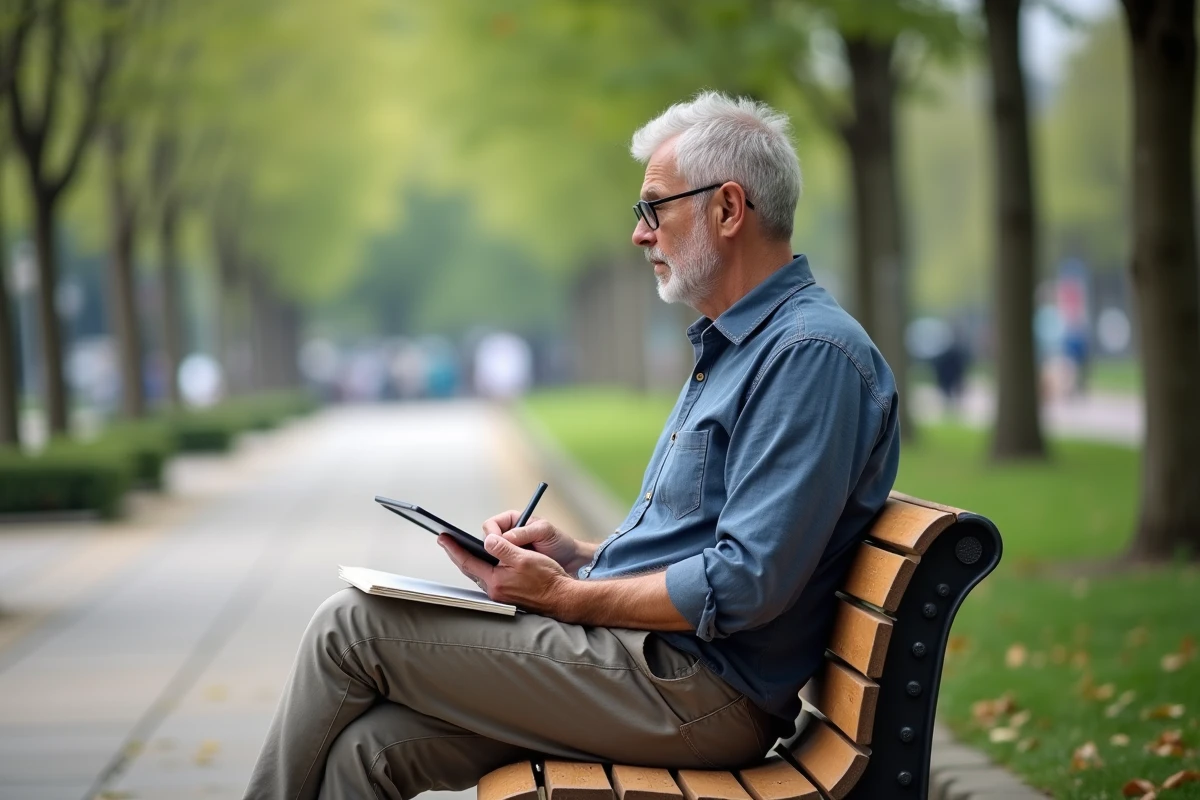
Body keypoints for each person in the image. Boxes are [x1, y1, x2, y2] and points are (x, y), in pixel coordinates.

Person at [243, 91, 900, 800]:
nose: (640, 235)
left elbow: (744, 582)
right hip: (654, 670)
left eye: (654, 207)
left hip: (697, 693)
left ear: (728, 209)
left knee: (350, 626)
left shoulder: (808, 357)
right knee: (368, 752)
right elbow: (715, 549)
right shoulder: (742, 347)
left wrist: (566, 598)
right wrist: (581, 560)